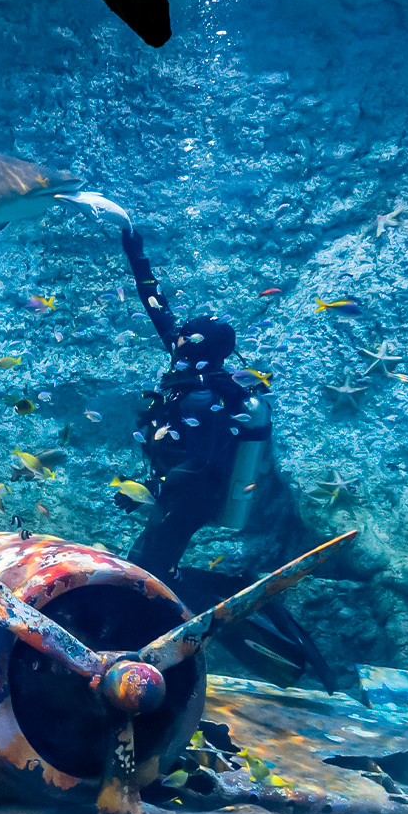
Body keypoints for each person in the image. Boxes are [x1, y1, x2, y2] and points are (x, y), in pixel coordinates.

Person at [116, 221, 338, 692]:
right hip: (175, 491)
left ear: (198, 348)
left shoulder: (208, 399)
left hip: (192, 496)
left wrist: (154, 493)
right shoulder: (190, 367)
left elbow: (200, 460)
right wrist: (133, 247)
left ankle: (160, 660)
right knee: (153, 567)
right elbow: (156, 307)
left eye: (187, 335)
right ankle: (189, 611)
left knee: (144, 570)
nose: (177, 335)